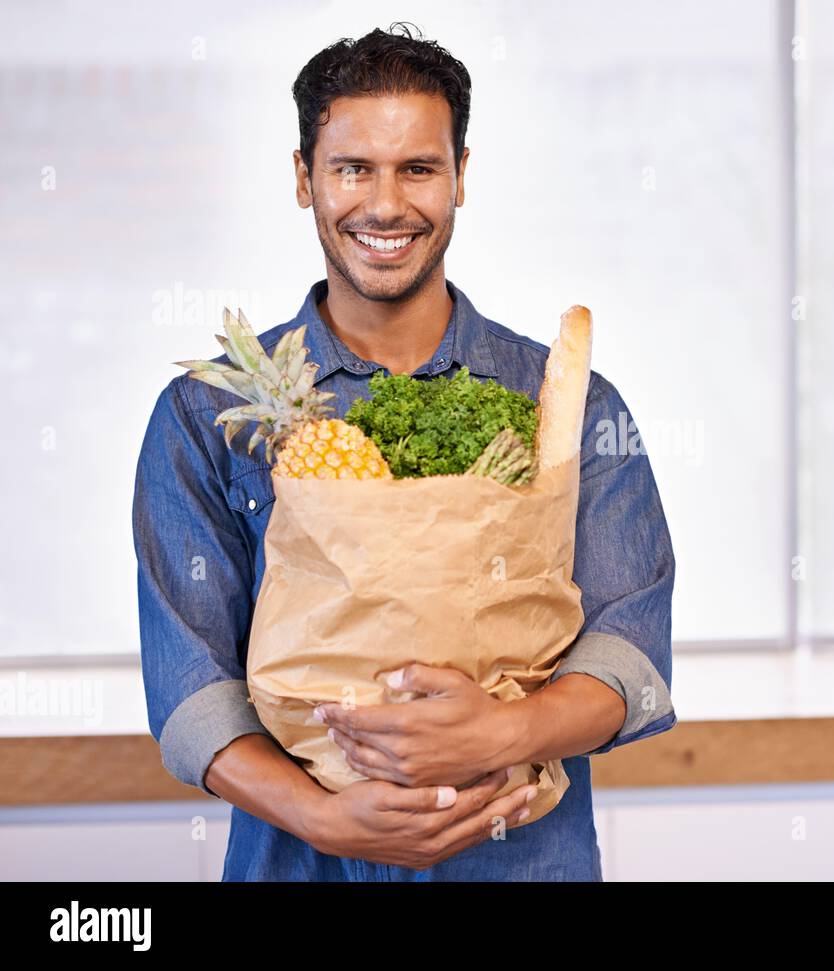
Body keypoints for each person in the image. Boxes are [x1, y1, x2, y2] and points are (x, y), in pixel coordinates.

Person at [132, 23, 676, 881]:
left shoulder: (569, 404)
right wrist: (328, 817)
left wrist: (507, 730)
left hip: (520, 860)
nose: (385, 205)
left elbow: (631, 650)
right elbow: (189, 692)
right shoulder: (209, 413)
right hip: (297, 862)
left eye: (418, 168)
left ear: (461, 176)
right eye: (353, 168)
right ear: (305, 179)